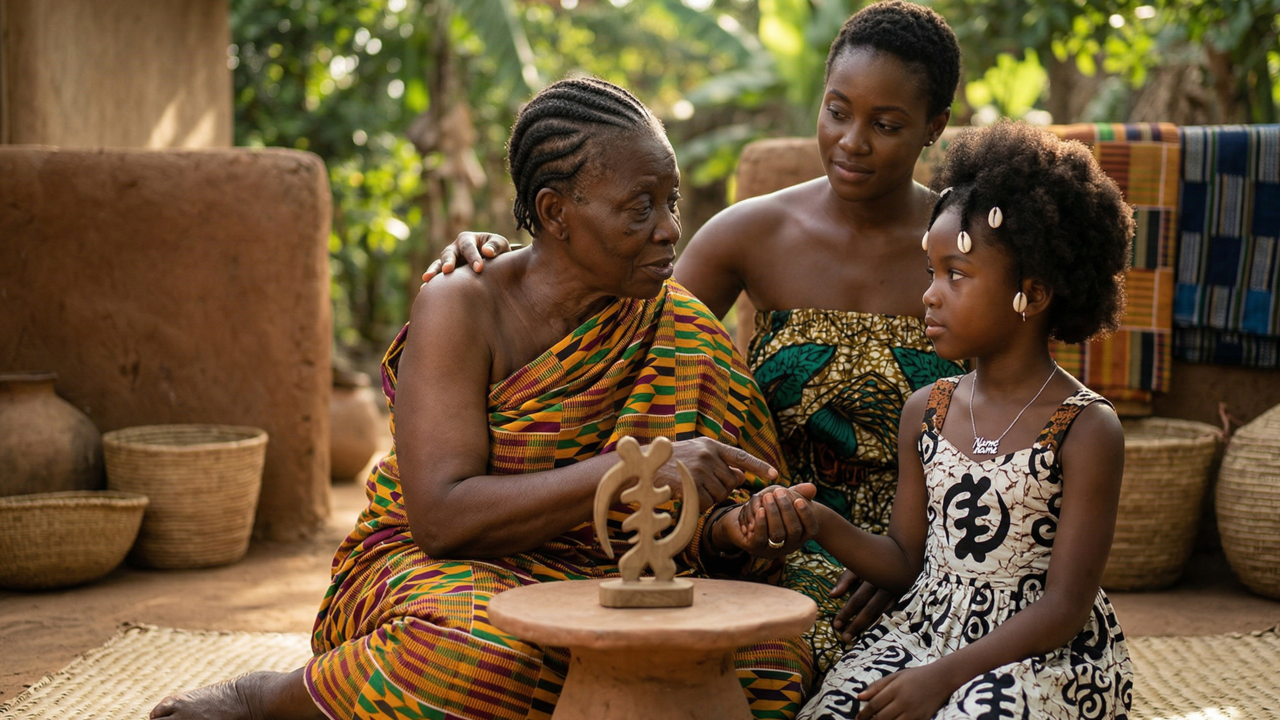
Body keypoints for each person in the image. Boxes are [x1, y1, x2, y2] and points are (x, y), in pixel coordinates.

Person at [150, 77, 822, 720]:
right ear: (555, 213)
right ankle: (275, 700)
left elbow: (698, 534)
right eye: (639, 207)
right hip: (460, 567)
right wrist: (635, 469)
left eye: (672, 201)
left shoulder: (680, 327)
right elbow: (442, 520)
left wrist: (737, 531)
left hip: (621, 577)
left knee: (770, 663)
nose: (670, 228)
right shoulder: (462, 305)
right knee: (481, 657)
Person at [423, 0, 966, 675]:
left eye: (885, 124)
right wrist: (498, 259)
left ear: (934, 126)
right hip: (786, 532)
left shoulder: (967, 245)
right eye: (836, 111)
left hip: (950, 539)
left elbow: (1023, 413)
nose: (853, 140)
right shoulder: (749, 235)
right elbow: (613, 313)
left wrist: (908, 554)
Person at [753, 121, 1134, 719]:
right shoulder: (926, 410)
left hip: (1037, 656)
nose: (930, 294)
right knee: (834, 710)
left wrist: (941, 680)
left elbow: (1063, 607)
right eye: (930, 272)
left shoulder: (1085, 428)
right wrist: (817, 521)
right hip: (925, 631)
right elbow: (906, 559)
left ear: (1030, 296)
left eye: (956, 275)